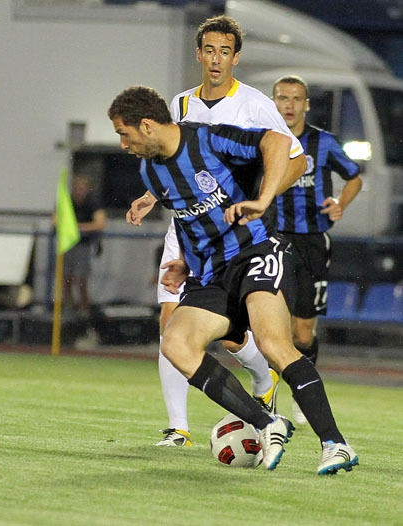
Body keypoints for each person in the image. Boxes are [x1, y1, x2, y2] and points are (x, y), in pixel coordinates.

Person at [108, 85, 358, 475]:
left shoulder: (208, 138)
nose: (123, 144)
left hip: (256, 252)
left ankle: (335, 444)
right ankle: (268, 424)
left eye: (124, 134)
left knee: (274, 344)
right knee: (175, 343)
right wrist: (185, 264)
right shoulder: (150, 171)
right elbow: (189, 221)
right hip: (212, 272)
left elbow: (278, 142)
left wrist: (263, 199)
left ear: (146, 125)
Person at [126, 15, 303, 447]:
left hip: (234, 233)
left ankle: (263, 380)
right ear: (199, 54)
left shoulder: (255, 104)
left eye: (225, 51)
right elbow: (169, 157)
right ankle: (178, 428)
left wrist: (257, 199)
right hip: (186, 228)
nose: (216, 59)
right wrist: (150, 195)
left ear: (235, 57)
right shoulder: (181, 103)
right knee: (170, 325)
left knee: (233, 335)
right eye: (209, 50)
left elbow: (295, 160)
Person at [272, 75, 363, 425]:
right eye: (283, 97)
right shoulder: (266, 140)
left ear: (306, 104)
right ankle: (266, 399)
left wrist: (340, 203)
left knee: (302, 331)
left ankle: (302, 392)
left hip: (312, 241)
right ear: (273, 101)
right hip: (275, 239)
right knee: (270, 325)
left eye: (296, 98)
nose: (289, 104)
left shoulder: (323, 142)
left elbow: (354, 176)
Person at [60, 173, 106, 314]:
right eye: (77, 188)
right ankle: (68, 305)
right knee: (66, 277)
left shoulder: (92, 203)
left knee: (81, 278)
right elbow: (55, 221)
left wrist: (76, 228)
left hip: (83, 244)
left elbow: (100, 223)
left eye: (82, 188)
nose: (79, 192)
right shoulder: (67, 201)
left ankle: (84, 307)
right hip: (68, 244)